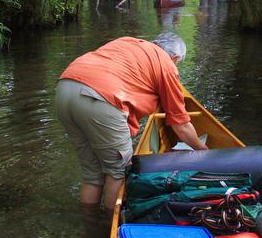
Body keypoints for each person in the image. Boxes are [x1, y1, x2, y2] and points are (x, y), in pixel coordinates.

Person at [55, 33, 207, 209]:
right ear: (175, 58)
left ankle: (89, 223)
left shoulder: (127, 42)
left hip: (65, 88)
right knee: (118, 171)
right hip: (100, 99)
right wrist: (202, 150)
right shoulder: (166, 64)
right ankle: (109, 225)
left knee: (92, 174)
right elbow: (180, 124)